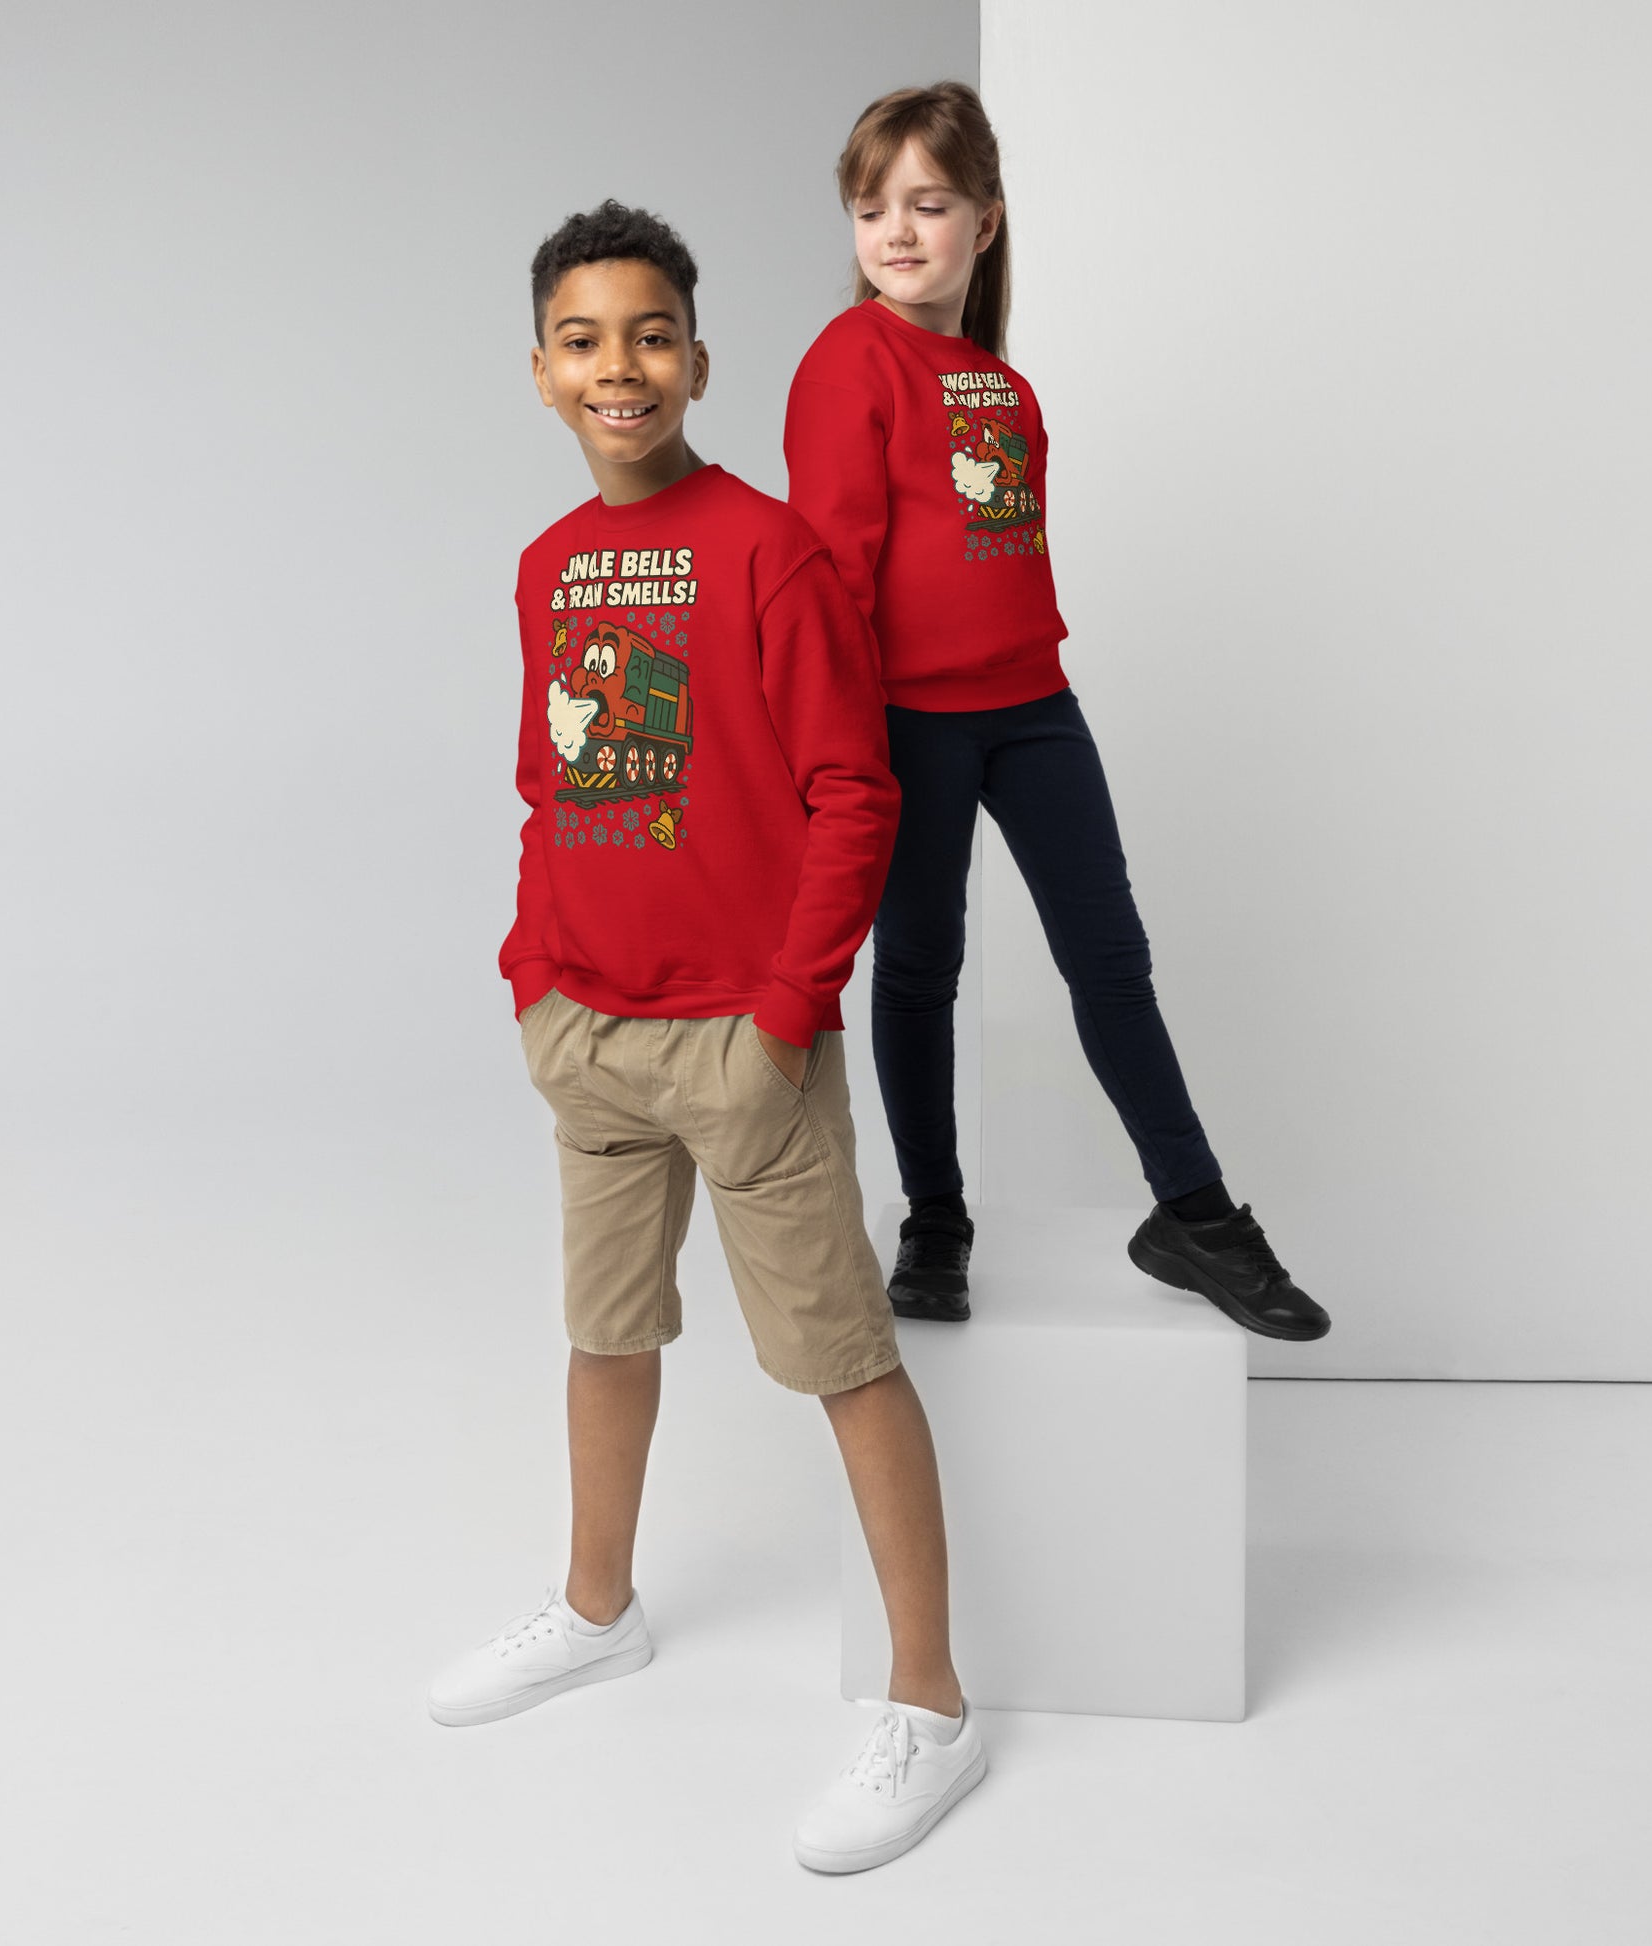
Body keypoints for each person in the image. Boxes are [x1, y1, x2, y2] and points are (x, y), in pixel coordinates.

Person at [427, 200, 986, 1874]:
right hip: (588, 1030)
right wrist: (534, 972)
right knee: (606, 1335)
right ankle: (598, 1607)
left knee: (840, 1356)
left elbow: (850, 791)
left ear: (699, 358)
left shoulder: (772, 551)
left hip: (743, 1046)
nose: (622, 367)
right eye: (586, 340)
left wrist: (785, 1009)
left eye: (652, 334)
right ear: (540, 372)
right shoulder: (546, 568)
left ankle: (931, 1702)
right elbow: (554, 785)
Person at [784, 84, 1331, 1343]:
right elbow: (833, 573)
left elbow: (997, 562)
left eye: (927, 204)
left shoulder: (998, 386)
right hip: (908, 717)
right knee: (919, 972)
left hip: (1032, 707)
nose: (897, 232)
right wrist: (836, 751)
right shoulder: (846, 361)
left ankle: (1190, 1214)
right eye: (872, 209)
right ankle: (933, 1217)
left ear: (985, 219)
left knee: (1111, 964)